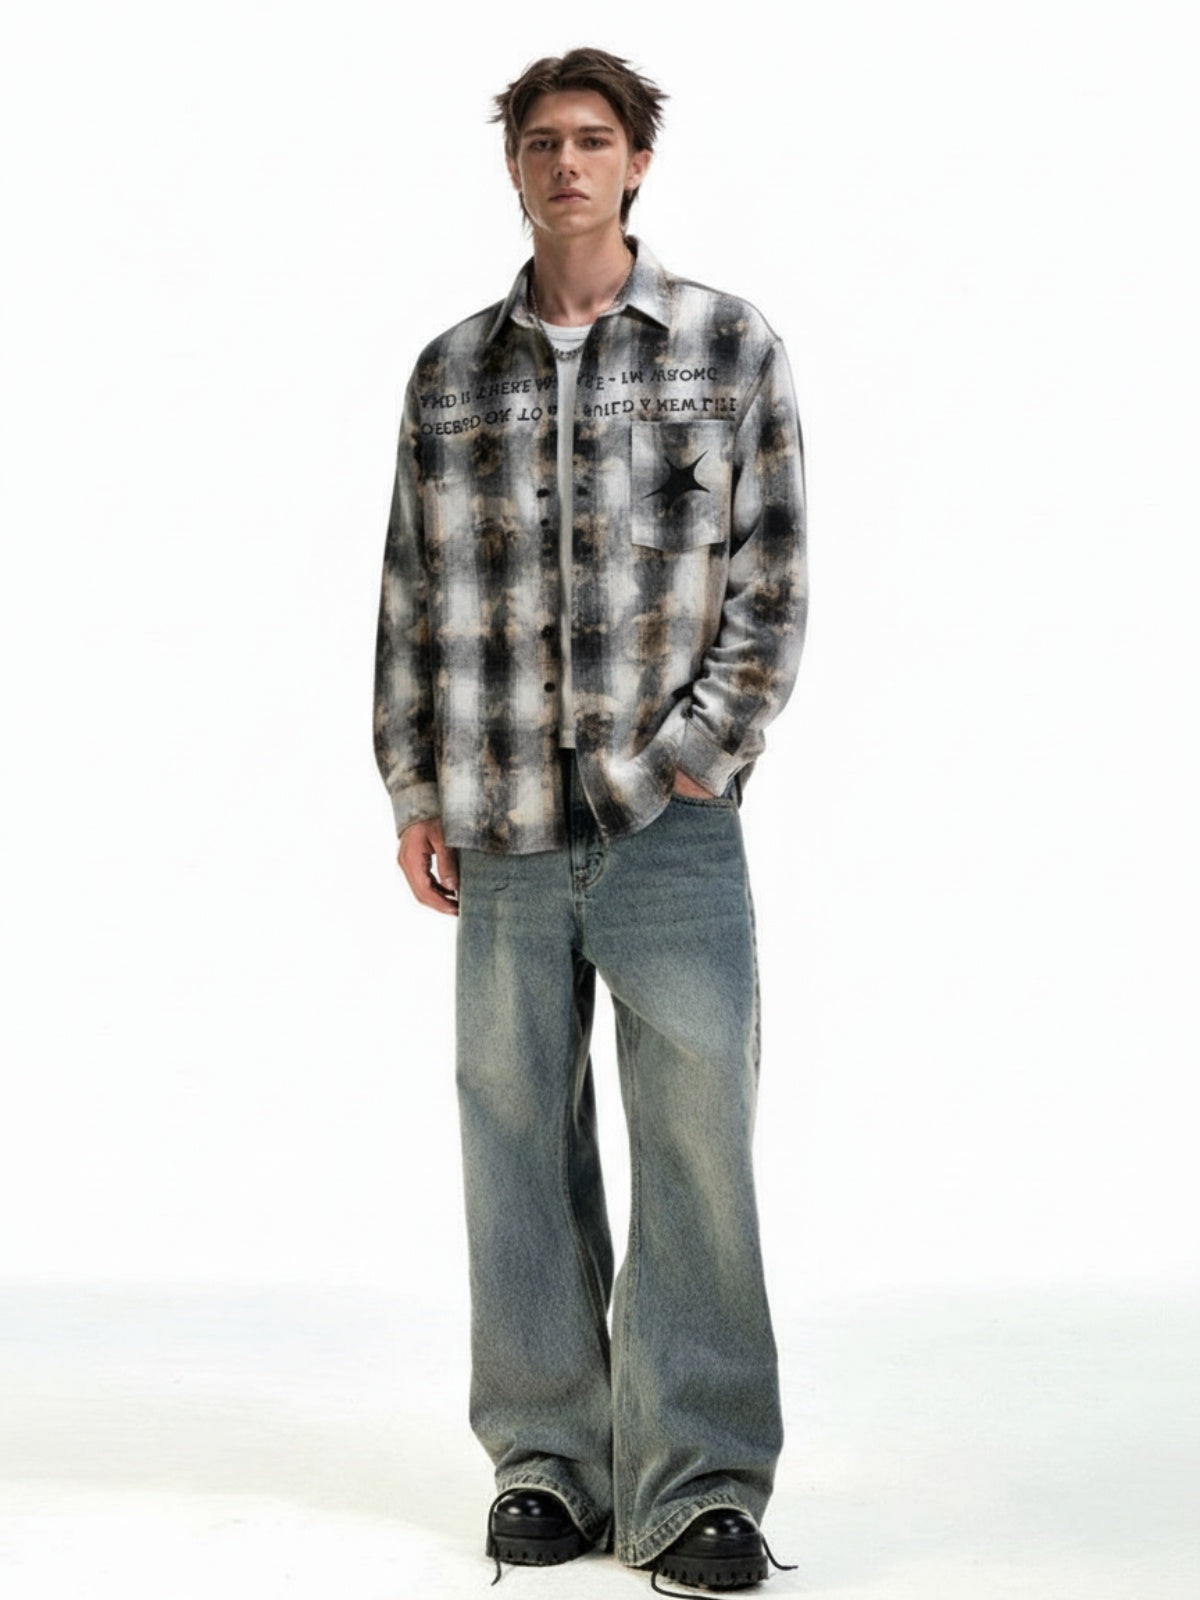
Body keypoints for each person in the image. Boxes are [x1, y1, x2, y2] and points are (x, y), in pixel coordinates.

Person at [373, 46, 807, 1592]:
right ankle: (547, 1464)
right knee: (513, 1139)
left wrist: (699, 752)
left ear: (636, 163)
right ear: (515, 166)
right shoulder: (451, 374)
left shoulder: (726, 347)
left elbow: (772, 580)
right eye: (543, 140)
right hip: (498, 820)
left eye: (594, 139)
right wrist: (414, 787)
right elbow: (410, 591)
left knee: (696, 1146)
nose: (568, 163)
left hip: (669, 826)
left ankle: (699, 1483)